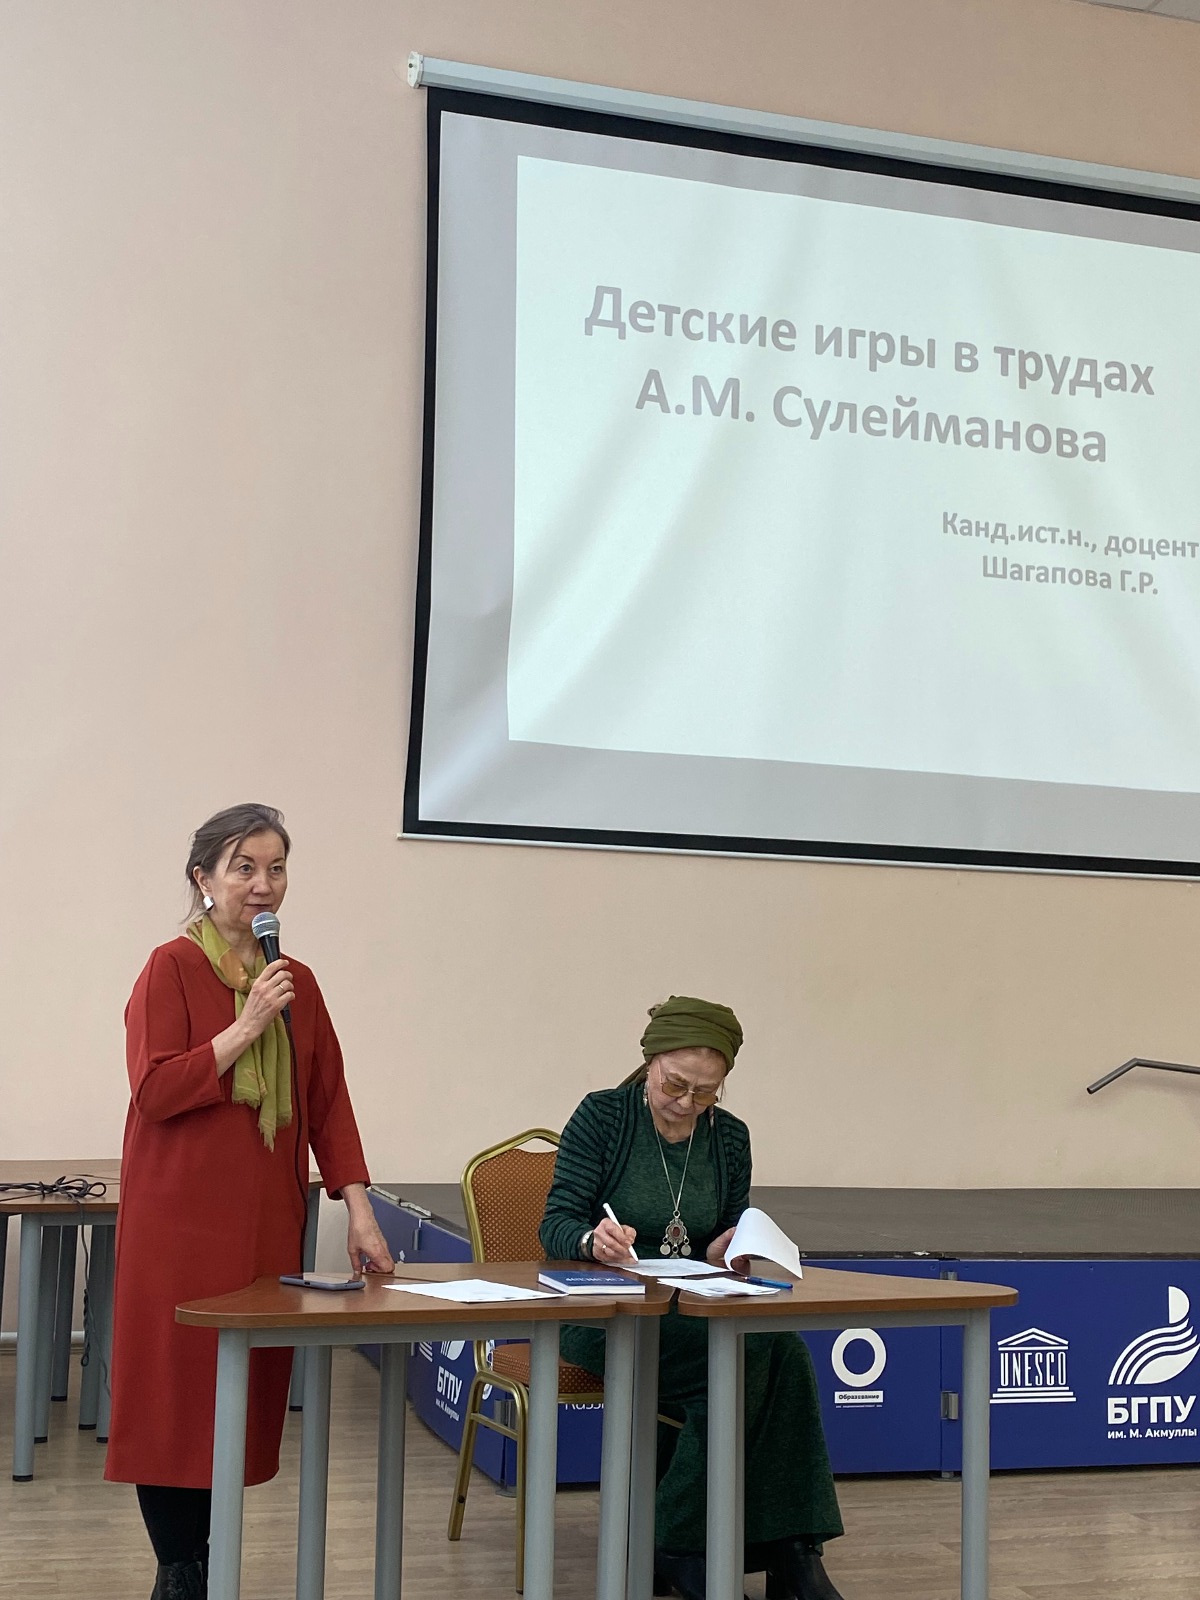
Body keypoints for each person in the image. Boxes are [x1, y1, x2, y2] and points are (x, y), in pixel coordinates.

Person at [105, 804, 394, 1600]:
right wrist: (249, 1023)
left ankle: (209, 1559)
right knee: (175, 1396)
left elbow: (328, 1103)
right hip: (178, 1223)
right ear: (203, 879)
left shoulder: (298, 980)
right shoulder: (169, 967)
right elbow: (156, 1089)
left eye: (276, 869)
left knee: (238, 1396)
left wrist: (358, 1208)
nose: (262, 885)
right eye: (244, 868)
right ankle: (180, 1570)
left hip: (265, 1223)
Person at [539, 996, 846, 1600]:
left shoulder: (729, 1138)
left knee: (783, 1351)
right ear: (650, 1061)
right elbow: (556, 1224)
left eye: (706, 1092)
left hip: (696, 1306)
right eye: (675, 1084)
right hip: (610, 1312)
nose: (686, 1102)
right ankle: (689, 1542)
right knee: (745, 1358)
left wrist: (727, 1248)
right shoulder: (603, 1117)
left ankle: (788, 1553)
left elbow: (724, 1232)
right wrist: (591, 1240)